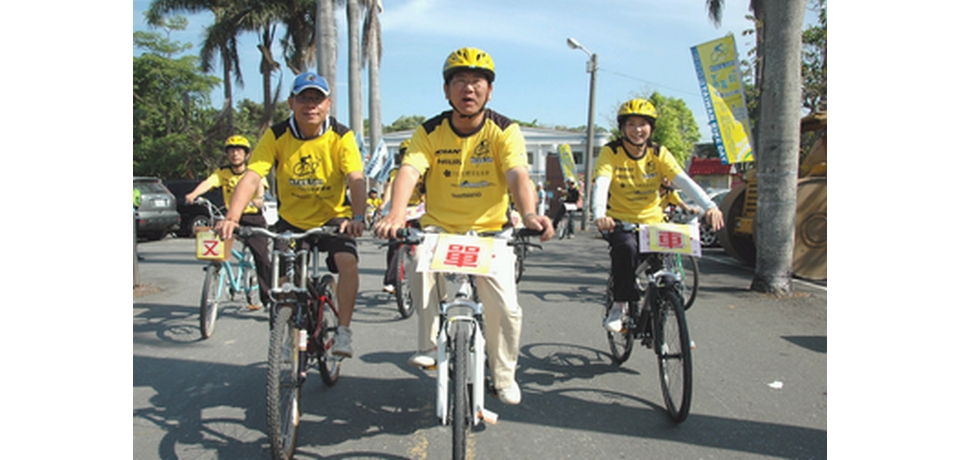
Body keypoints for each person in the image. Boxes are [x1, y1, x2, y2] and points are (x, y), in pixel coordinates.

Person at [374, 47, 554, 405]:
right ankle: (428, 345)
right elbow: (409, 171)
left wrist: (530, 214)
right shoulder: (429, 131)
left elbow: (518, 173)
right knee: (419, 263)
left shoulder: (505, 130)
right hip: (439, 230)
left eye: (477, 82)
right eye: (459, 81)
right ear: (446, 90)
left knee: (506, 308)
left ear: (489, 90)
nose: (468, 89)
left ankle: (503, 377)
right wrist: (396, 214)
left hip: (492, 235)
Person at [215, 71, 367, 358]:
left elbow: (355, 177)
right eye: (304, 98)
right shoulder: (277, 134)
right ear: (291, 102)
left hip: (334, 217)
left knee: (347, 262)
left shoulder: (341, 135)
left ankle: (344, 331)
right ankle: (288, 333)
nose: (310, 105)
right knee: (284, 282)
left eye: (317, 99)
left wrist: (358, 218)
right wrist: (232, 217)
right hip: (292, 220)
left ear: (328, 104)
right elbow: (251, 177)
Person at [592, 98, 723, 332]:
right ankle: (619, 305)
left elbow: (683, 180)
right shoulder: (611, 151)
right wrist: (599, 214)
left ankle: (666, 314)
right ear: (622, 128)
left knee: (666, 266)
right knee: (626, 250)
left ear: (651, 128)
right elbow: (602, 182)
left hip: (654, 223)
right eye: (630, 124)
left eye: (643, 124)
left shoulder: (659, 153)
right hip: (621, 222)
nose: (637, 130)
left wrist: (709, 205)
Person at [185, 135, 272, 310]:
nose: (235, 154)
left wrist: (260, 198)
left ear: (247, 155)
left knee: (262, 258)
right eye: (231, 151)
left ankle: (268, 298)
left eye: (239, 151)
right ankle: (216, 272)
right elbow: (208, 183)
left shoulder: (254, 171)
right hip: (230, 217)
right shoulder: (222, 172)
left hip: (252, 218)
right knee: (213, 240)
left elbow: (259, 186)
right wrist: (193, 194)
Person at [379, 139, 425, 294]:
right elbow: (390, 188)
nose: (406, 156)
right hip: (400, 210)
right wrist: (384, 203)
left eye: (409, 152)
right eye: (404, 153)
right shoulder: (395, 172)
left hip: (419, 210)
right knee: (395, 243)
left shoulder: (424, 171)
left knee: (425, 240)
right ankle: (391, 281)